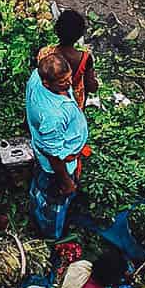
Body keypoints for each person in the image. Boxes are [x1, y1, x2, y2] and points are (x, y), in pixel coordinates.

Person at [25, 49, 89, 239]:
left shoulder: (36, 78)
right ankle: (51, 233)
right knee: (55, 200)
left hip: (49, 150)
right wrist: (66, 181)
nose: (69, 83)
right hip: (56, 167)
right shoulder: (53, 116)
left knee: (40, 186)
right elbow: (54, 156)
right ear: (47, 82)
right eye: (62, 82)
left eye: (68, 77)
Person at [52, 9, 98, 108]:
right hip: (72, 102)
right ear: (79, 36)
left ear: (56, 30)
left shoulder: (45, 53)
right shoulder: (84, 59)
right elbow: (91, 87)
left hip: (49, 98)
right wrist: (95, 82)